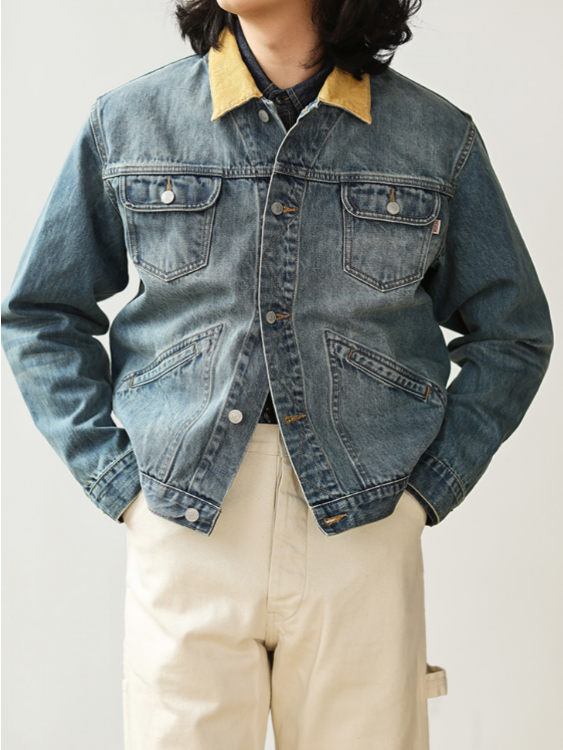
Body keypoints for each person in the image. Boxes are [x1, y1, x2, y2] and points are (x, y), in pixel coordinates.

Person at [1, 0, 553, 748]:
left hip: (363, 525)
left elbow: (513, 331)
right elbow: (39, 313)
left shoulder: (433, 136)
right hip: (185, 520)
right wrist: (121, 486)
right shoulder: (131, 120)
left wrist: (425, 493)